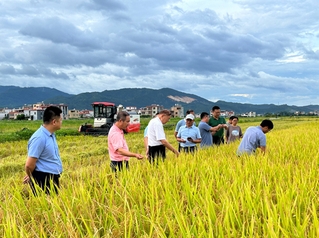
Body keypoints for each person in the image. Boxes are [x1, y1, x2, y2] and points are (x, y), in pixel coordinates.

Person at [24, 106, 63, 195]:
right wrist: (31, 176)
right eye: (60, 120)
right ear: (54, 122)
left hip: (51, 177)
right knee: (46, 206)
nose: (61, 123)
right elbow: (29, 165)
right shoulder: (39, 138)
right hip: (43, 179)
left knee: (53, 206)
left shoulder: (50, 135)